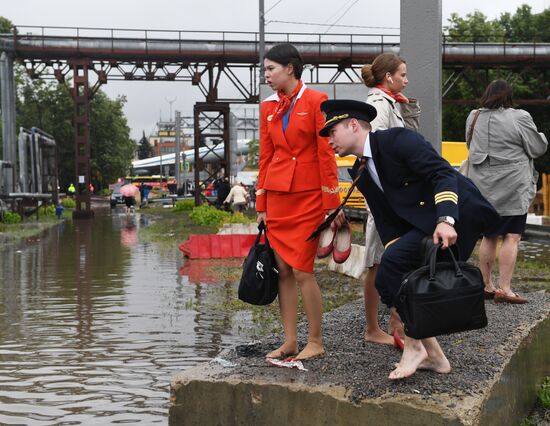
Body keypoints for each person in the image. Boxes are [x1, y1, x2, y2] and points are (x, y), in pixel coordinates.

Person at [319, 99, 499, 380]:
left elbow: (441, 173)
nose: (329, 141)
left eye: (332, 132)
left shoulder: (397, 140)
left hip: (458, 212)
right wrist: (396, 253)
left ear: (353, 125)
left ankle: (415, 346)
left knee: (393, 269)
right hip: (426, 223)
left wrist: (446, 220)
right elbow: (386, 220)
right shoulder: (361, 170)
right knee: (390, 278)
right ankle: (434, 355)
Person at [256, 43, 342, 361]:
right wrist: (261, 206)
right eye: (264, 70)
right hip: (278, 198)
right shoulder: (267, 107)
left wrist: (331, 204)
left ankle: (315, 341)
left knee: (303, 270)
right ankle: (290, 341)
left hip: (308, 199)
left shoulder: (317, 101)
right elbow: (265, 157)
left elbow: (326, 155)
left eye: (270, 69)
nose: (265, 75)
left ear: (289, 68)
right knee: (283, 271)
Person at [465, 80, 547, 304]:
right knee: (512, 236)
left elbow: (469, 146)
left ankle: (486, 285)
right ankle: (505, 288)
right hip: (513, 187)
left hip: (484, 188)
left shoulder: (474, 116)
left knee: (489, 235)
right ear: (508, 96)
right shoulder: (519, 116)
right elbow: (537, 148)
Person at [360, 53, 421, 346]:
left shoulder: (389, 103)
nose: (406, 81)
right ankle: (375, 328)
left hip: (392, 194)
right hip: (385, 196)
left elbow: (409, 140)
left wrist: (407, 107)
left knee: (387, 259)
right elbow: (379, 151)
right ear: (389, 77)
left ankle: (391, 324)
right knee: (377, 261)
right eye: (403, 75)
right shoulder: (377, 105)